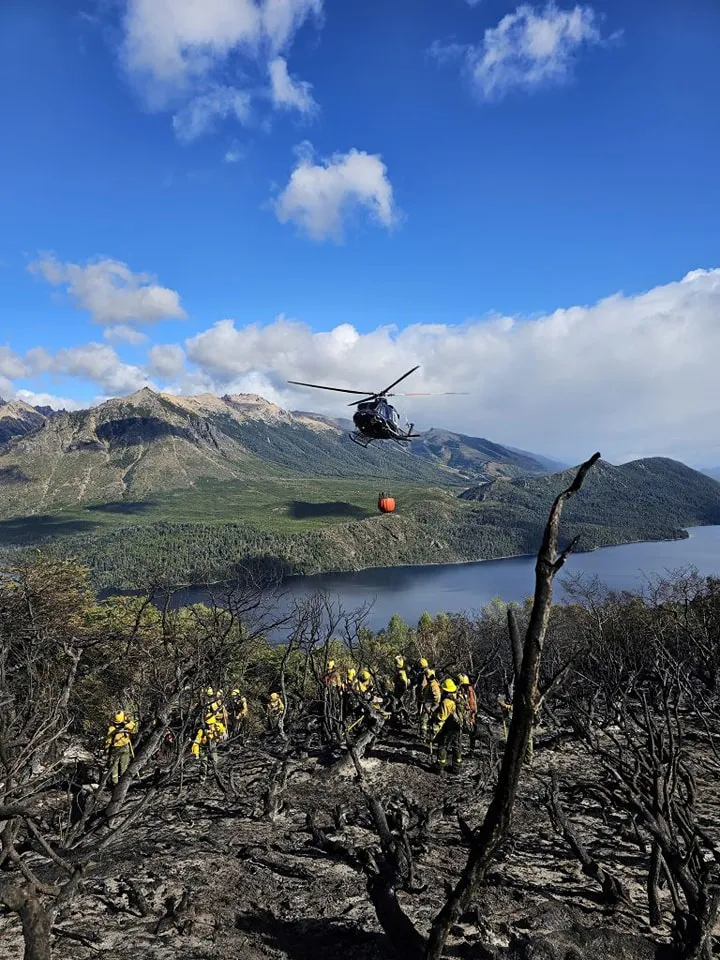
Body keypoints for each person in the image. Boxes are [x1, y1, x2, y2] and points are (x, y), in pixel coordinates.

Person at [431, 679, 462, 774]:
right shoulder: (458, 696)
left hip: (450, 727)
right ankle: (456, 768)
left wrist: (433, 715)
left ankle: (439, 767)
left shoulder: (447, 702)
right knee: (456, 746)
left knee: (443, 746)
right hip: (458, 726)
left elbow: (442, 717)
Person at [105, 710, 137, 787]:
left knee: (114, 766)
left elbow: (108, 740)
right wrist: (128, 719)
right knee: (124, 766)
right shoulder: (128, 726)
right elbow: (133, 726)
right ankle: (123, 783)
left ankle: (115, 783)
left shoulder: (112, 728)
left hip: (115, 749)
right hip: (125, 747)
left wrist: (106, 749)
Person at [191, 715, 224, 781]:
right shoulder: (201, 731)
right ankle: (202, 778)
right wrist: (196, 754)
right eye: (208, 724)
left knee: (214, 760)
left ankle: (210, 773)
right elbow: (196, 743)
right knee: (204, 763)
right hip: (203, 748)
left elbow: (222, 731)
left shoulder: (217, 727)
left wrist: (219, 736)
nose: (209, 726)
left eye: (211, 724)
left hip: (212, 745)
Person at [457, 674, 478, 753]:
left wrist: (472, 715)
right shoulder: (461, 690)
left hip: (467, 714)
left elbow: (472, 703)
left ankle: (471, 750)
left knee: (471, 732)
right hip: (462, 715)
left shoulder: (469, 690)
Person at [419, 667, 441, 739]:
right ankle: (424, 735)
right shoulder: (431, 683)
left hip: (431, 704)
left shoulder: (434, 685)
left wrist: (432, 708)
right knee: (424, 720)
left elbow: (437, 698)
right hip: (427, 703)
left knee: (425, 720)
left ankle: (431, 736)